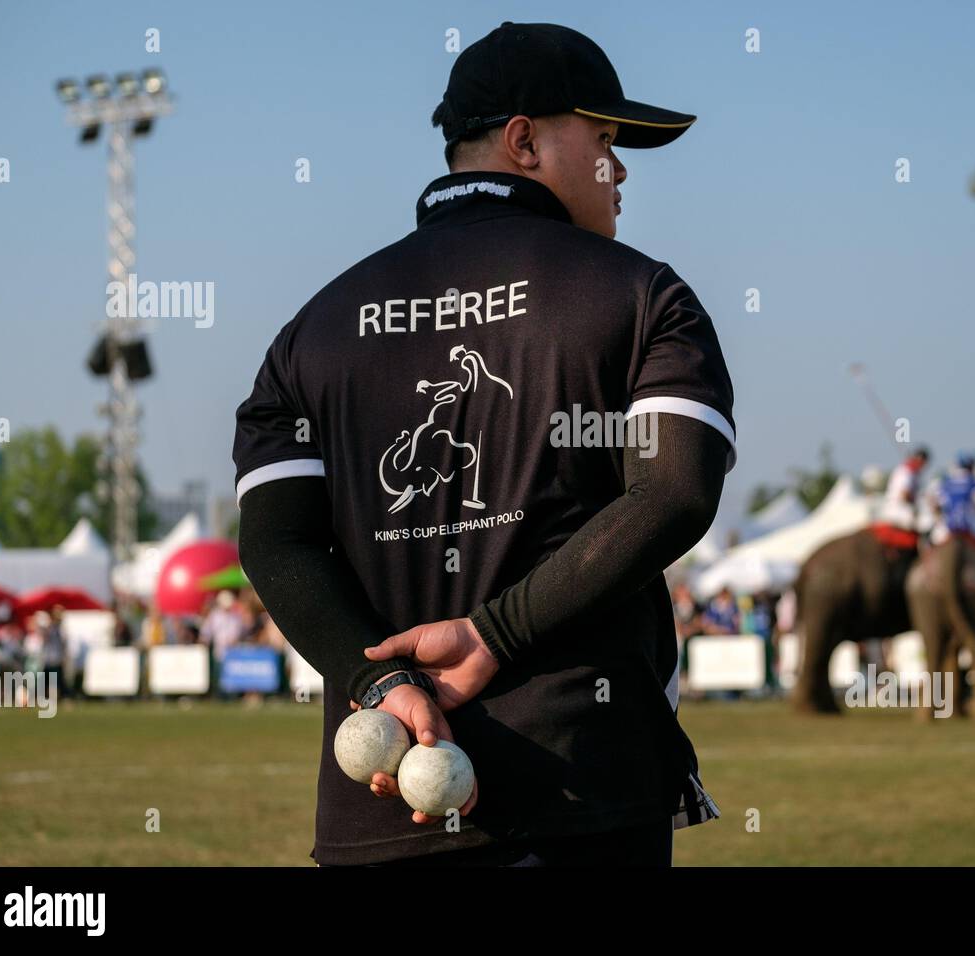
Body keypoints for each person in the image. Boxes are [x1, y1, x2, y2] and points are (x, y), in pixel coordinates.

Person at [234, 22, 733, 867]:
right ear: (525, 141)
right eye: (606, 141)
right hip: (583, 791)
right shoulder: (644, 293)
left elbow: (275, 541)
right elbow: (676, 490)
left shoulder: (311, 329)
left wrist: (378, 683)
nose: (620, 172)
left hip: (380, 809)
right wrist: (494, 634)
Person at [932, 450, 975, 542]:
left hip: (945, 529)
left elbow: (935, 504)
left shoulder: (945, 482)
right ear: (972, 465)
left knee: (929, 544)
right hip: (973, 527)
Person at [879, 446, 930, 532]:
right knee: (926, 524)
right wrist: (916, 503)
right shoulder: (907, 472)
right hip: (899, 510)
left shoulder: (911, 472)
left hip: (897, 508)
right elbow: (904, 495)